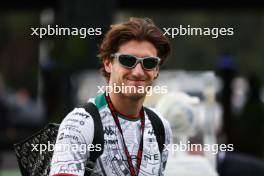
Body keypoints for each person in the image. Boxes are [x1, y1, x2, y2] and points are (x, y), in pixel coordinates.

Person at [49, 17, 172, 176]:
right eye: (128, 60)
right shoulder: (80, 124)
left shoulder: (161, 126)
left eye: (148, 63)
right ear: (108, 63)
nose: (138, 71)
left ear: (156, 70)